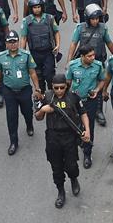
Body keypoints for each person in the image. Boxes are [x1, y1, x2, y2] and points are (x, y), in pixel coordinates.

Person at [36, 73, 89, 208]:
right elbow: (38, 117)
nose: (59, 90)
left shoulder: (73, 97)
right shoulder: (47, 97)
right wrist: (43, 110)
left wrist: (87, 130)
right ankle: (60, 191)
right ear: (52, 87)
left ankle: (74, 179)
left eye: (62, 87)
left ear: (66, 86)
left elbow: (83, 113)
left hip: (69, 136)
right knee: (56, 168)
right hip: (53, 137)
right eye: (56, 88)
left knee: (71, 165)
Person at [0, 30, 39, 155]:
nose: (13, 44)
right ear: (6, 44)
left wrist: (37, 88)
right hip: (9, 91)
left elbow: (32, 72)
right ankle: (13, 142)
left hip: (24, 90)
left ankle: (29, 125)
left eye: (15, 42)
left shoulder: (26, 55)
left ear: (18, 42)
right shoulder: (1, 57)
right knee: (11, 117)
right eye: (10, 42)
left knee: (27, 112)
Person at [66, 44, 107, 169]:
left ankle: (87, 153)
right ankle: (78, 142)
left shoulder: (98, 66)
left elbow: (102, 80)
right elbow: (67, 83)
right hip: (75, 102)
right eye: (89, 56)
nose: (93, 58)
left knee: (89, 127)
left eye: (93, 55)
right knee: (74, 125)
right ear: (82, 56)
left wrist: (97, 90)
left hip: (90, 101)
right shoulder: (73, 66)